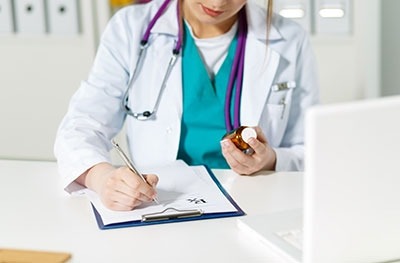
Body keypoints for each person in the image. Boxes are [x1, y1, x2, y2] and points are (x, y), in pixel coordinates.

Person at [54, 0, 319, 211]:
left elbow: (312, 149)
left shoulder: (290, 38)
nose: (218, 2)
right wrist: (102, 179)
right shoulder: (130, 28)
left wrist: (270, 159)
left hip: (253, 205)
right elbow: (80, 127)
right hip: (158, 203)